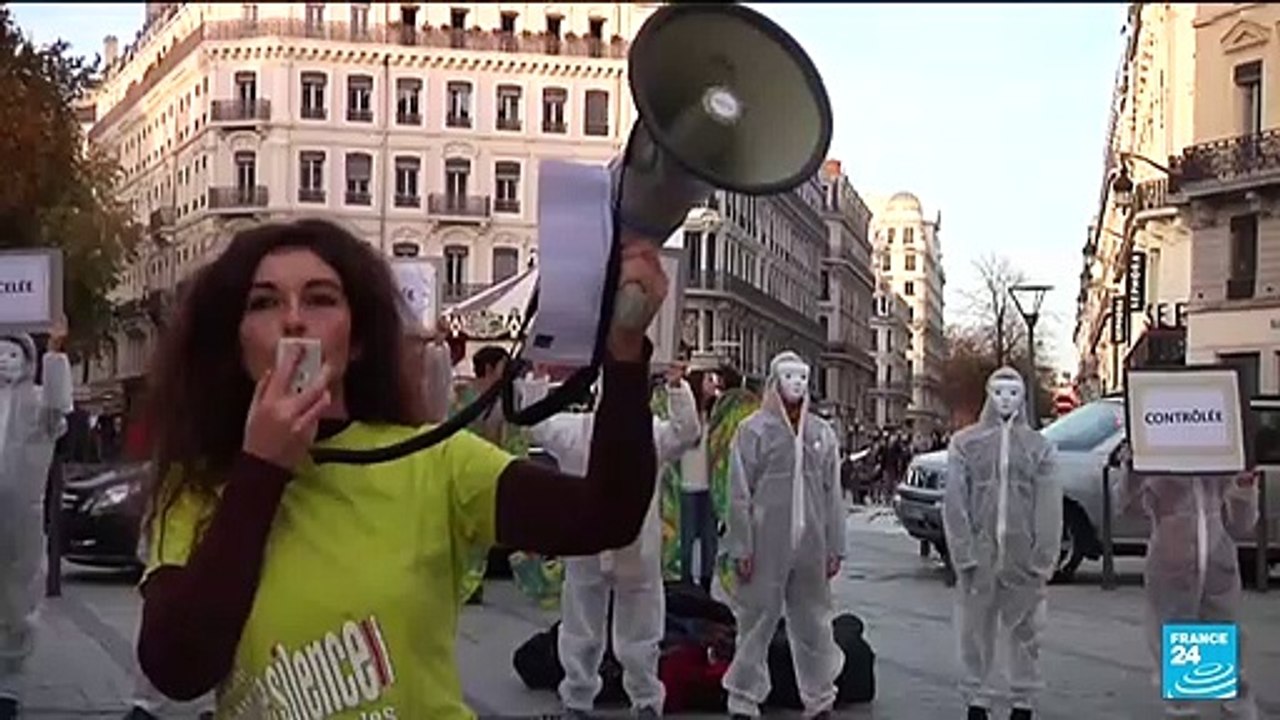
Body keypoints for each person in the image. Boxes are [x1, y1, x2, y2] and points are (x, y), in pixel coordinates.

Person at [133, 218, 668, 719]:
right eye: (264, 302)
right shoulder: (198, 485)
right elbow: (177, 669)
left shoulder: (432, 459)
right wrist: (259, 471)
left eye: (320, 299)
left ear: (358, 340)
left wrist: (624, 353)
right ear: (236, 341)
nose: (294, 318)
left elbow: (605, 516)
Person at [523, 362, 700, 718]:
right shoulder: (582, 431)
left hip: (631, 547)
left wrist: (677, 388)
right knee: (583, 626)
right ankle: (581, 697)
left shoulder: (648, 433)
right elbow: (538, 426)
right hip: (593, 546)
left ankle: (642, 698)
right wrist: (538, 379)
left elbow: (687, 433)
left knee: (638, 629)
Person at [721, 351, 845, 720]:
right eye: (790, 377)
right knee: (755, 621)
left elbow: (833, 494)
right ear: (775, 382)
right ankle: (743, 698)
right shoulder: (753, 431)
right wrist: (742, 546)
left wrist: (835, 546)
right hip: (765, 542)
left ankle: (820, 698)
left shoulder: (821, 433)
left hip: (811, 544)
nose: (797, 384)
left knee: (814, 623)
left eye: (802, 377)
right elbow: (738, 493)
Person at [942, 366, 1060, 720]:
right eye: (999, 392)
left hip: (1021, 553)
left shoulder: (1038, 447)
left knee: (1026, 630)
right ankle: (977, 697)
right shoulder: (966, 443)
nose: (1006, 400)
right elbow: (955, 502)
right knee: (975, 629)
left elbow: (1049, 505)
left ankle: (1022, 700)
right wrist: (962, 552)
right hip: (981, 553)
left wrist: (1043, 556)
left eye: (1013, 393)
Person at [1116, 451, 1260, 720]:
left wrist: (1244, 485)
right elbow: (1128, 508)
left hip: (1217, 564)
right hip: (1171, 564)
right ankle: (1184, 709)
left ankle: (1234, 708)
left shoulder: (1221, 457)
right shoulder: (1156, 457)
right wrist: (1134, 470)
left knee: (1225, 641)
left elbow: (1242, 524)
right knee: (1176, 641)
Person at [0, 324, 73, 720]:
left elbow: (58, 407)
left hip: (22, 520)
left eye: (13, 354)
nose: (4, 361)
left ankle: (7, 688)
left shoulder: (39, 404)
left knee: (16, 603)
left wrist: (55, 354)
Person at [679, 369, 721, 591]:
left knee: (709, 539)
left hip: (709, 487)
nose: (713, 383)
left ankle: (706, 582)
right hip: (687, 485)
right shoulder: (687, 416)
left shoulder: (716, 415)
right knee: (685, 539)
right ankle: (684, 582)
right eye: (708, 379)